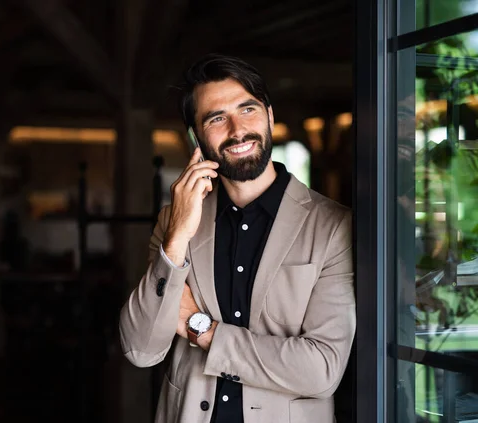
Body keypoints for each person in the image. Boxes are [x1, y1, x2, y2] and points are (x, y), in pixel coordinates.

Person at [119, 54, 355, 423]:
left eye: (248, 109)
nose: (237, 129)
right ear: (196, 137)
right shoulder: (174, 223)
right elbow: (141, 349)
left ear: (270, 116)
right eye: (217, 118)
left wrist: (203, 330)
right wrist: (177, 237)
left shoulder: (332, 226)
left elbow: (321, 370)